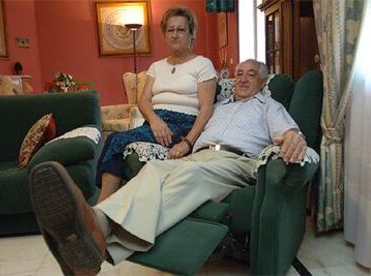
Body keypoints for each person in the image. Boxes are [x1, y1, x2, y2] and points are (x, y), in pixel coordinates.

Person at [28, 59, 307, 275]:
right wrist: (184, 144)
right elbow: (195, 128)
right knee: (154, 169)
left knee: (192, 174)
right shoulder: (218, 106)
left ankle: (100, 240)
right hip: (198, 156)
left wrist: (294, 137)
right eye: (240, 73)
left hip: (236, 160)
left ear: (263, 81)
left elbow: (289, 132)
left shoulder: (269, 106)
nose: (243, 78)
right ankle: (95, 225)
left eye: (251, 74)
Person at [97, 6, 217, 202]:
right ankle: (109, 208)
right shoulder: (156, 67)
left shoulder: (202, 65)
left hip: (183, 124)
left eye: (181, 30)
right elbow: (143, 101)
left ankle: (99, 208)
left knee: (115, 140)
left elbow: (206, 109)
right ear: (164, 34)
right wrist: (154, 120)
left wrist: (188, 142)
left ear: (191, 33)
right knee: (117, 142)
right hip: (155, 123)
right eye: (170, 30)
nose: (175, 35)